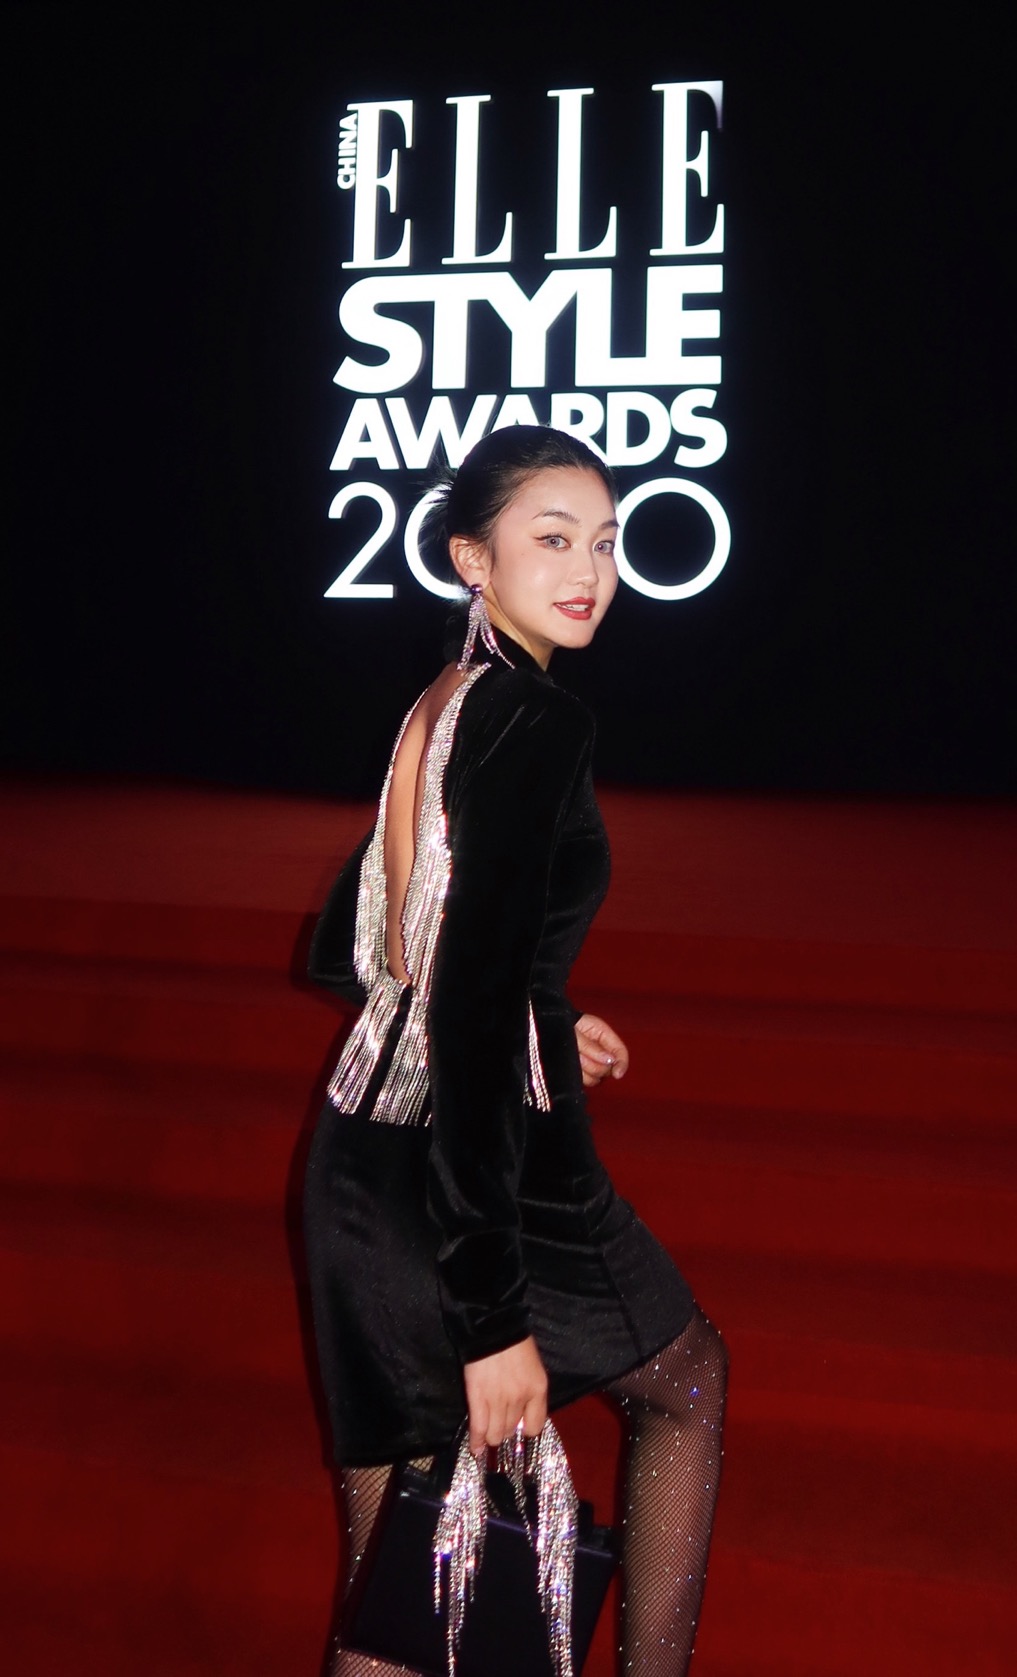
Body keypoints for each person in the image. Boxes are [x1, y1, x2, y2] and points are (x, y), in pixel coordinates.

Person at [304, 425, 727, 1677]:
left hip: (359, 1172)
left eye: (606, 541)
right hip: (484, 1183)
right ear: (471, 558)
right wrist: (490, 1320)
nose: (590, 570)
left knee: (398, 1593)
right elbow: (469, 1016)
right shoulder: (536, 722)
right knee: (688, 1383)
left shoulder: (441, 704)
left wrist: (539, 1005)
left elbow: (356, 942)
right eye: (553, 539)